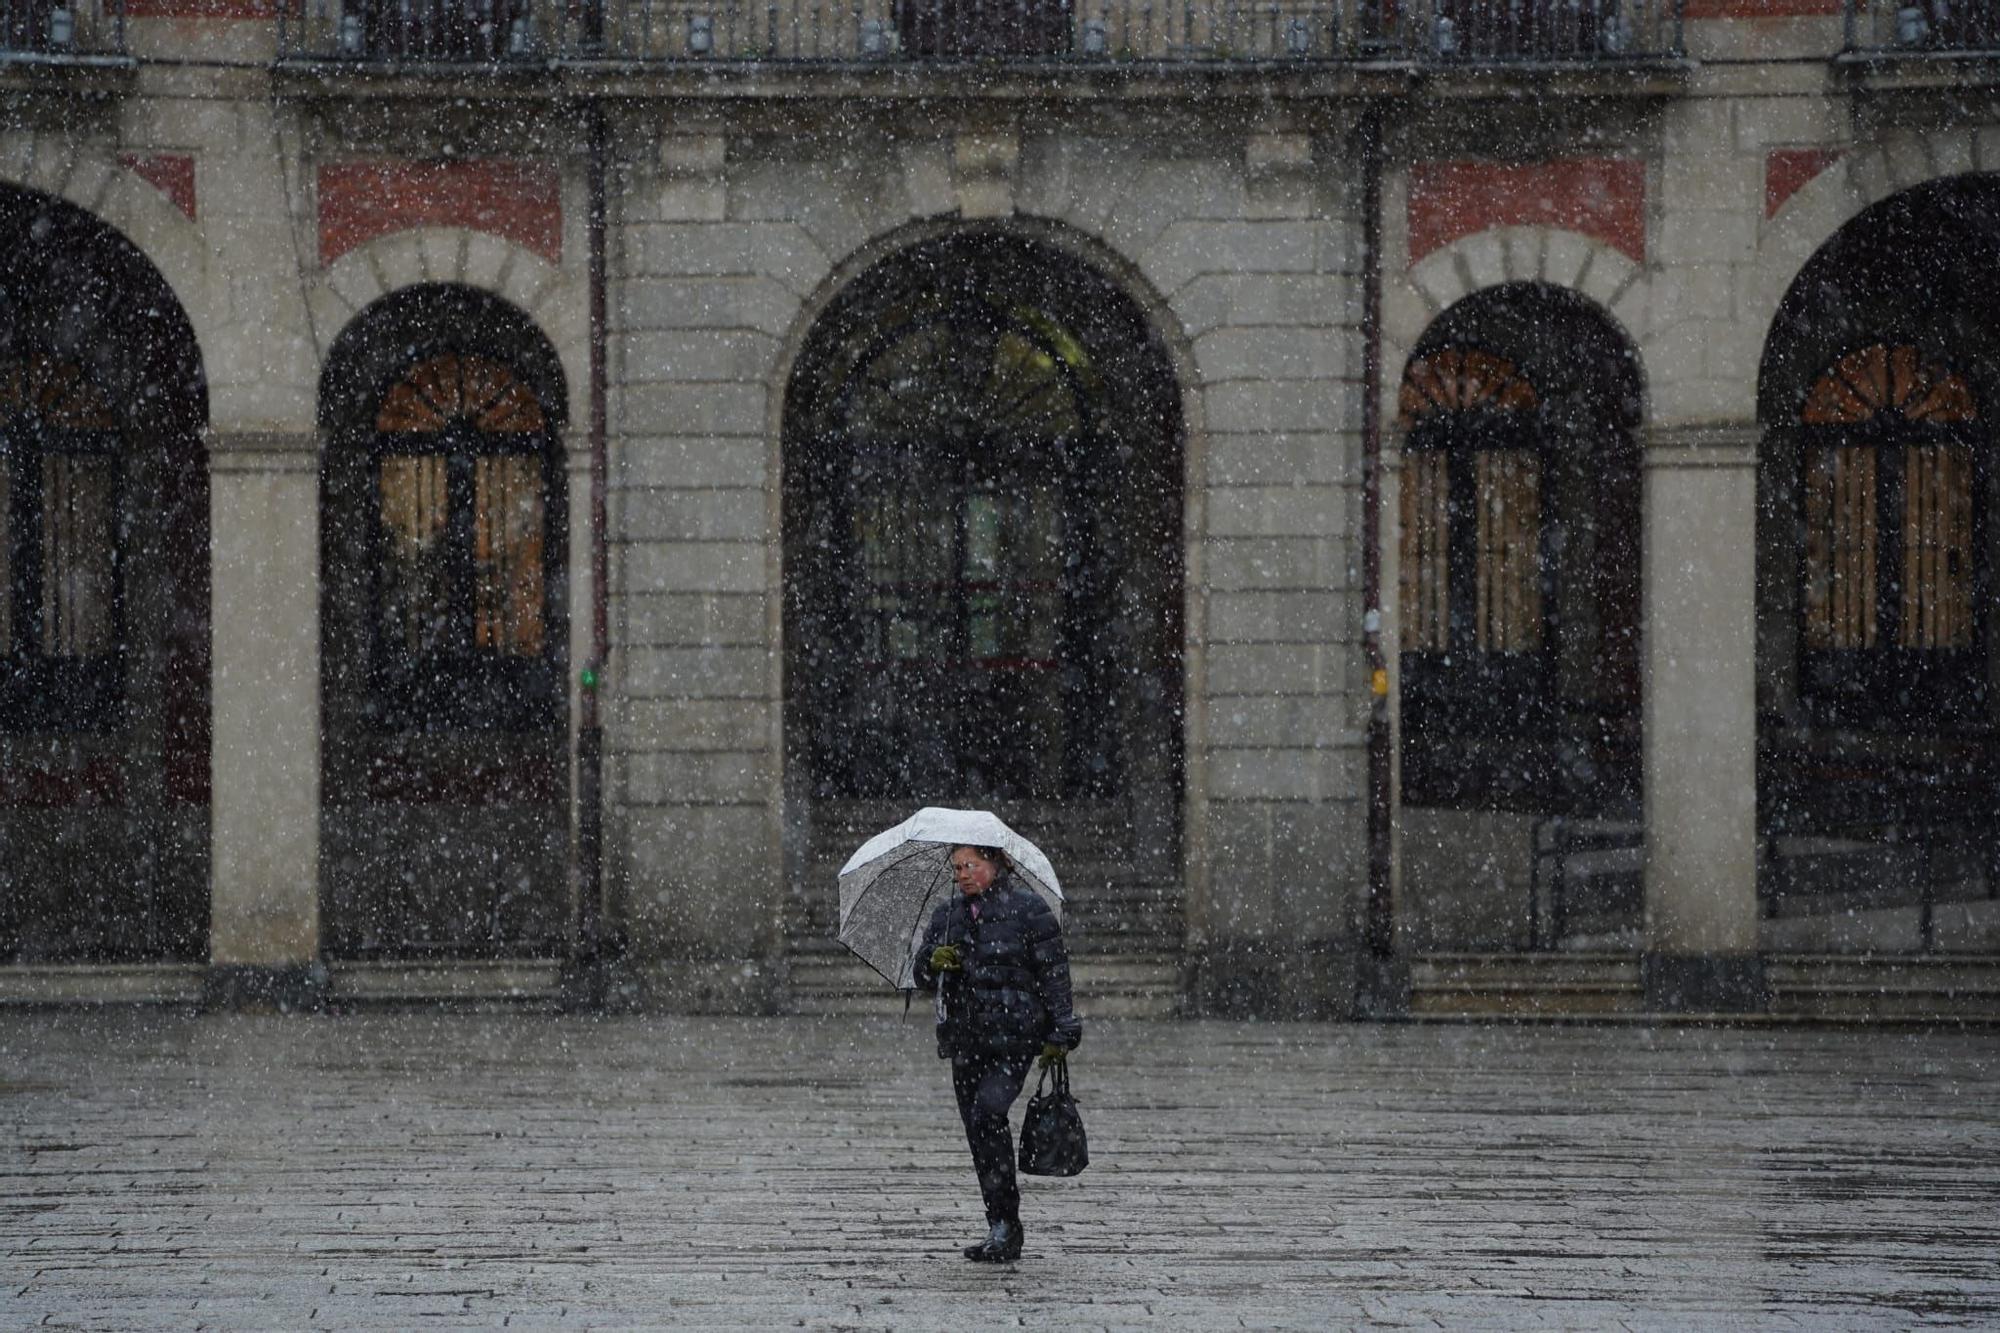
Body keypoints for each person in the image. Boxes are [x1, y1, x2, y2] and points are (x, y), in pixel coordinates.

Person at [911, 843, 1081, 1263]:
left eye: (971, 865)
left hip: (1014, 1035)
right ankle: (1001, 1222)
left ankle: (1006, 1222)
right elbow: (921, 975)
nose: (963, 874)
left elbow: (1053, 971)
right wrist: (934, 963)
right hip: (965, 1037)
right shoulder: (947, 915)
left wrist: (1062, 1029)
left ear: (997, 862)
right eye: (957, 867)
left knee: (989, 1113)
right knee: (978, 1129)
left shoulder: (1028, 909)